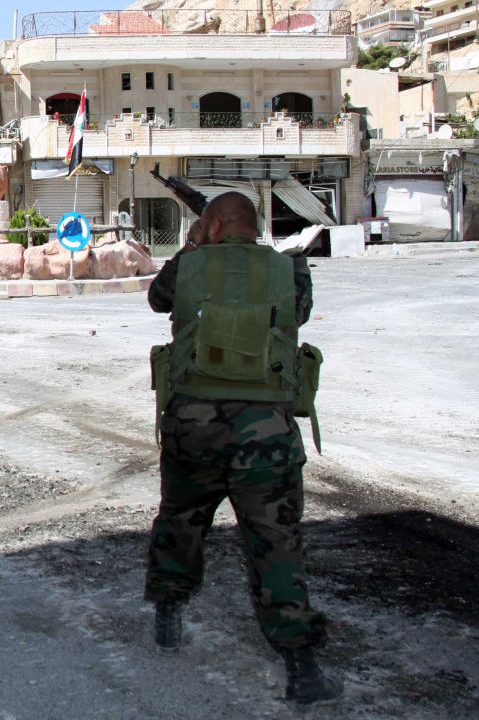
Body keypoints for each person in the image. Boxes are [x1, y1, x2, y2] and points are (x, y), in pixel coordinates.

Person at [144, 192, 342, 704]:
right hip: (266, 437)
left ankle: (168, 613)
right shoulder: (288, 269)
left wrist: (191, 247)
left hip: (194, 428)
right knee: (276, 542)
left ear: (211, 224)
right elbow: (298, 312)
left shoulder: (188, 266)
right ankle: (301, 667)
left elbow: (158, 299)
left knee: (181, 521)